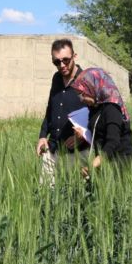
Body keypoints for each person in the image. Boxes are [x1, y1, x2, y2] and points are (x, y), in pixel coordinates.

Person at [36, 38, 91, 185]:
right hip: (52, 149)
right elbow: (51, 108)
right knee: (46, 197)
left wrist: (84, 135)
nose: (62, 65)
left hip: (77, 152)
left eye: (66, 60)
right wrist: (42, 136)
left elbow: (98, 115)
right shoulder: (56, 78)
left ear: (74, 56)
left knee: (76, 199)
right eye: (56, 62)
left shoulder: (87, 80)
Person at [70, 67, 132, 176]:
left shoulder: (112, 108)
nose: (81, 99)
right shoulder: (95, 107)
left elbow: (113, 141)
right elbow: (98, 133)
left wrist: (92, 165)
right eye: (79, 95)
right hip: (104, 162)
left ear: (93, 87)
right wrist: (83, 134)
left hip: (121, 164)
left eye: (83, 94)